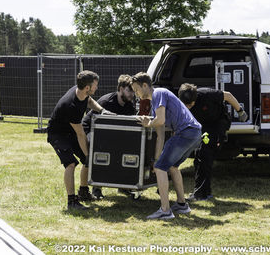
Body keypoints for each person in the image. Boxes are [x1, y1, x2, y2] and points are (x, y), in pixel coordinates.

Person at [131, 72, 202, 220]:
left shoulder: (159, 93)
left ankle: (165, 210)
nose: (136, 94)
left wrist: (148, 123)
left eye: (136, 89)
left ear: (145, 85)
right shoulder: (155, 104)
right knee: (171, 166)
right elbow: (161, 135)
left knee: (161, 168)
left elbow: (160, 120)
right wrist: (156, 160)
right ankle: (182, 205)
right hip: (194, 134)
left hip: (186, 132)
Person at [47, 70, 110, 210]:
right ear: (87, 88)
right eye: (95, 85)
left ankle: (83, 192)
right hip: (57, 134)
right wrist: (87, 154)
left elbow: (89, 101)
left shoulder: (82, 92)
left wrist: (102, 111)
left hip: (69, 132)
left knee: (87, 159)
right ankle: (71, 202)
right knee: (71, 164)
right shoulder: (71, 106)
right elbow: (81, 134)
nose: (97, 88)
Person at [178, 83, 248, 201]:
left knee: (204, 154)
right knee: (200, 157)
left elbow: (228, 96)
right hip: (203, 127)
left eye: (191, 104)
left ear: (196, 97)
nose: (189, 107)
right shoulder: (182, 103)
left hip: (218, 123)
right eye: (186, 105)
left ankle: (200, 194)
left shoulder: (207, 94)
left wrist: (240, 111)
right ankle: (206, 192)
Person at [82, 74, 136, 200]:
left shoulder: (130, 106)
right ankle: (97, 187)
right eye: (130, 91)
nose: (132, 94)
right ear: (121, 89)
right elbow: (94, 123)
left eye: (133, 91)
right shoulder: (106, 102)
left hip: (112, 133)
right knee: (100, 150)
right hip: (92, 129)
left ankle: (123, 186)